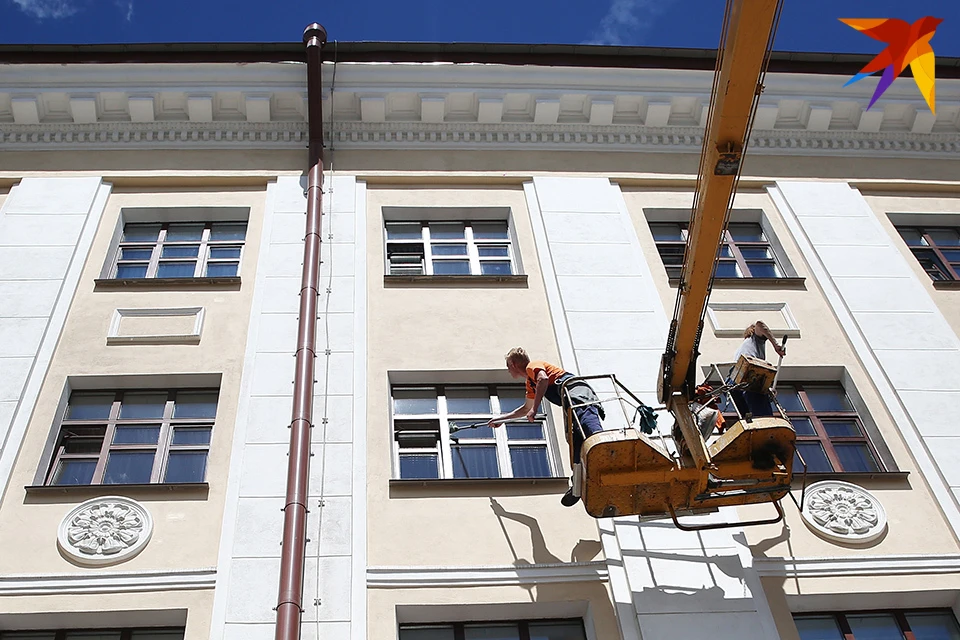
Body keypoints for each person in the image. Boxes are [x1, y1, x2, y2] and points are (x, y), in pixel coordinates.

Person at [488, 347, 604, 507]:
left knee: (586, 422)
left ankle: (604, 447)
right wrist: (502, 419)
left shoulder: (533, 366)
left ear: (514, 364)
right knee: (576, 441)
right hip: (570, 400)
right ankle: (578, 482)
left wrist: (535, 408)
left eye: (508, 366)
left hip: (577, 393)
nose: (508, 371)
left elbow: (543, 379)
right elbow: (525, 409)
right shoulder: (530, 383)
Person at [729, 320, 786, 419]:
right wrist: (776, 345)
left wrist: (768, 389)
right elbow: (760, 324)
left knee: (748, 415)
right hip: (747, 373)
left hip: (733, 380)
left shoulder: (746, 347)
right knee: (760, 404)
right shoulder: (755, 339)